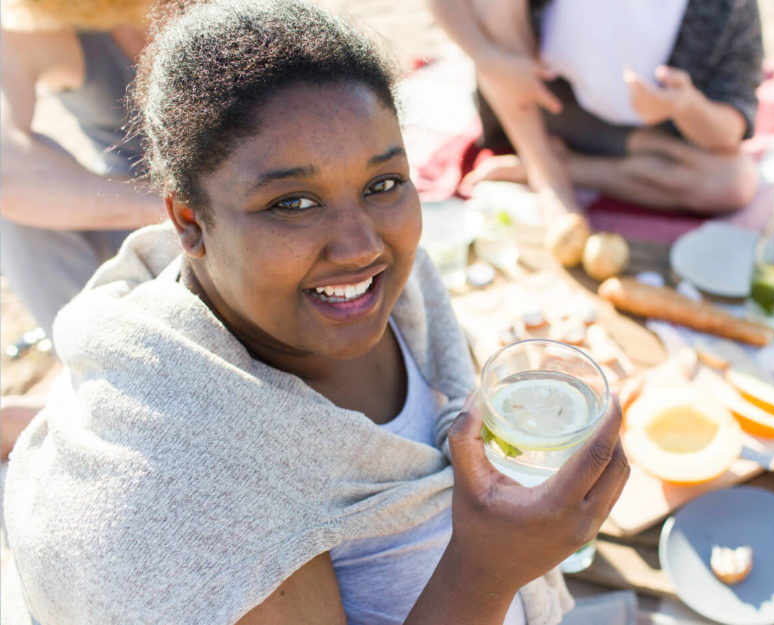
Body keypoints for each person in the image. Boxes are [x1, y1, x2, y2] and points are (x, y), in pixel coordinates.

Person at [1, 2, 629, 623]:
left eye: (382, 184)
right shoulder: (196, 491)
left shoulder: (403, 298)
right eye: (293, 202)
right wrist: (489, 567)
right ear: (189, 223)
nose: (360, 247)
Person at [427, 0, 763, 218]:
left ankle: (561, 168)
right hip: (545, 104)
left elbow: (730, 129)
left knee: (735, 182)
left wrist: (686, 106)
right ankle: (549, 179)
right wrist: (487, 57)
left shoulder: (730, 7)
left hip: (646, 131)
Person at [0, 0, 165, 336]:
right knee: (17, 204)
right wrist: (169, 207)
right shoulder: (32, 27)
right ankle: (100, 362)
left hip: (265, 186)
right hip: (156, 217)